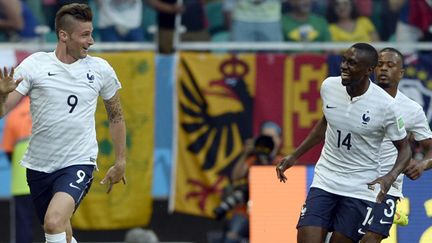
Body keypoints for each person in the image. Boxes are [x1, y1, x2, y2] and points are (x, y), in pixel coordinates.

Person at [0, 3, 126, 243]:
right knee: (62, 233)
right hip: (38, 166)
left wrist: (120, 160)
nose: (91, 41)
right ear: (63, 36)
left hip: (78, 161)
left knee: (53, 221)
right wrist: (1, 95)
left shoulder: (100, 69)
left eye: (91, 33)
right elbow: (2, 110)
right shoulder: (35, 65)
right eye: (85, 35)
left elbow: (116, 116)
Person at [276, 43, 412, 243]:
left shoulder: (386, 106)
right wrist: (295, 155)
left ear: (368, 70)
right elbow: (325, 123)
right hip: (325, 179)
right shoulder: (329, 86)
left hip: (360, 187)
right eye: (344, 60)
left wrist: (389, 178)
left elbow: (405, 149)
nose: (344, 66)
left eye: (352, 63)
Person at [360, 48, 432, 242]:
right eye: (380, 65)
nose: (384, 69)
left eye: (390, 65)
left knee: (370, 239)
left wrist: (423, 164)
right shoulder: (357, 98)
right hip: (353, 181)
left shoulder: (412, 109)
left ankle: (389, 210)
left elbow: (429, 146)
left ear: (401, 73)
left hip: (387, 187)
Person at [216, 121, 283, 243]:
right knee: (232, 235)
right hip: (248, 212)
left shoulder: (282, 161)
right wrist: (246, 153)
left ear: (279, 140)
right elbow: (236, 176)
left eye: (272, 137)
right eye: (265, 137)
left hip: (275, 213)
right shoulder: (252, 160)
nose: (268, 140)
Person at [1, 97, 34, 243]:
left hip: (21, 185)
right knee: (52, 226)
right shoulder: (52, 111)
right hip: (49, 182)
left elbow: (8, 151)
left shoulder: (13, 115)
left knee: (23, 229)